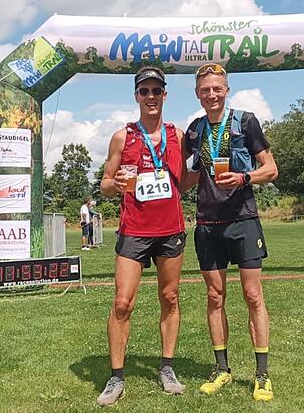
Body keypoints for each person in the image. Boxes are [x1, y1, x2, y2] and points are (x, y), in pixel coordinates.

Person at [181, 63, 278, 401]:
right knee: (214, 297)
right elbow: (187, 180)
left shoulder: (245, 121)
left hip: (243, 219)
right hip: (207, 223)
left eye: (217, 88)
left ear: (226, 90)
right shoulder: (193, 131)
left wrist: (244, 178)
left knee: (253, 296)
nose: (211, 94)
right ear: (197, 93)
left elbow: (271, 169)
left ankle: (262, 374)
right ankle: (222, 369)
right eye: (205, 89)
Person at [96, 66, 187, 406]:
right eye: (144, 91)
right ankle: (116, 376)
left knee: (171, 297)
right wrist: (115, 186)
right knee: (122, 302)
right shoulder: (123, 136)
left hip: (170, 229)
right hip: (134, 228)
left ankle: (166, 367)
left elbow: (185, 178)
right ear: (136, 96)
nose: (151, 96)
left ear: (165, 95)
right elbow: (105, 184)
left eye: (156, 91)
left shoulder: (177, 135)